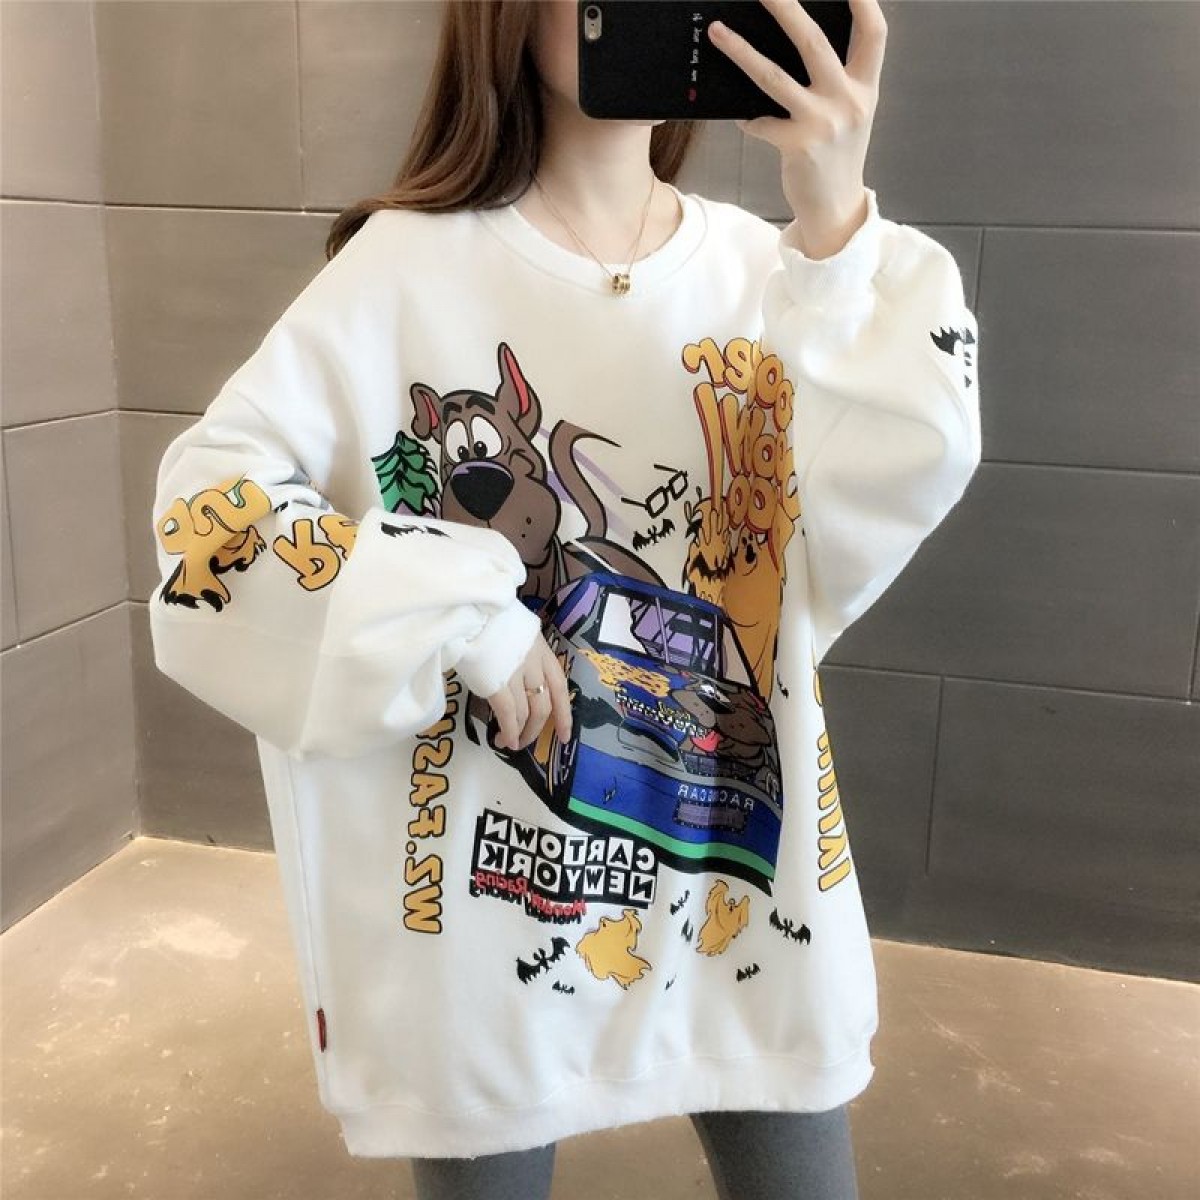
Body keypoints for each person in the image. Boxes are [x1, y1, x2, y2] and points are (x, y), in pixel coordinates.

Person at [148, 1, 981, 1197]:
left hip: (735, 879)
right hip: (481, 921)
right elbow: (209, 518)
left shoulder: (781, 276)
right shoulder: (403, 269)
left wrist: (839, 228)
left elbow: (880, 491)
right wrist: (462, 615)